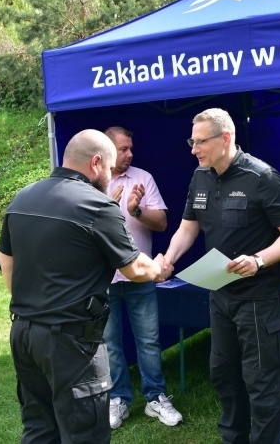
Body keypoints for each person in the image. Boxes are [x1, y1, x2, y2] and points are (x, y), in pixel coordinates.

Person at [0, 129, 171, 444]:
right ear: (96, 163)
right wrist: (158, 267)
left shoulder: (23, 197)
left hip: (23, 332)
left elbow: (6, 259)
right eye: (108, 167)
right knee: (85, 433)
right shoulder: (97, 205)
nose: (109, 174)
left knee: (39, 429)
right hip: (70, 341)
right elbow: (133, 268)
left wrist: (32, 304)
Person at [159, 108, 280, 444]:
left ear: (226, 139)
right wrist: (169, 259)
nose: (194, 149)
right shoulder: (200, 176)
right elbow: (187, 226)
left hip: (259, 299)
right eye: (191, 141)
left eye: (200, 142)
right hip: (220, 295)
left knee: (261, 383)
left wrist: (257, 260)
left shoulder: (262, 177)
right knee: (223, 376)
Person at [102, 126, 183, 429]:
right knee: (110, 342)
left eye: (130, 148)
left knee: (148, 341)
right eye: (123, 149)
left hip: (140, 276)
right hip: (103, 279)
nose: (130, 154)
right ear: (106, 150)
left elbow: (162, 222)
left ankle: (155, 398)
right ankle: (119, 400)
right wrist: (106, 205)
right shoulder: (91, 181)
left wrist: (136, 211)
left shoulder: (143, 177)